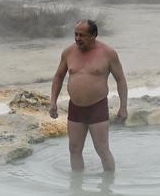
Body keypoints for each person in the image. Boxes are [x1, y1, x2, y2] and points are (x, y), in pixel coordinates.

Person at [49, 19, 128, 172]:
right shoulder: (68, 52)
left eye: (82, 35)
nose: (78, 38)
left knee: (102, 149)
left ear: (94, 35)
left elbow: (120, 80)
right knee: (74, 149)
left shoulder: (108, 53)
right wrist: (53, 101)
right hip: (76, 107)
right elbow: (58, 76)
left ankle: (109, 186)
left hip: (97, 107)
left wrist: (123, 107)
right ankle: (76, 186)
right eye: (76, 34)